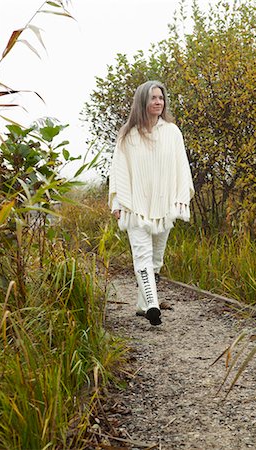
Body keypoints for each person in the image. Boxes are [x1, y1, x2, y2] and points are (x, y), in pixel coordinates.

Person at [109, 80, 194, 326]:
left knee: (156, 258)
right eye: (153, 98)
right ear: (142, 102)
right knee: (142, 255)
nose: (158, 102)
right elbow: (119, 169)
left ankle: (141, 304)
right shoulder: (129, 134)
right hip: (135, 205)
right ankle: (153, 306)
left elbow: (181, 166)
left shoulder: (172, 132)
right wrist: (118, 202)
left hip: (163, 205)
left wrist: (179, 199)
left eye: (161, 98)